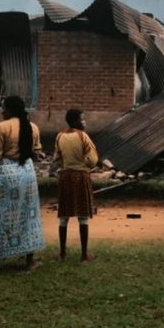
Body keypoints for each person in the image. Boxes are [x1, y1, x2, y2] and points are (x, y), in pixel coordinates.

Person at [0, 95, 45, 270]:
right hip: (27, 174)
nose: (1, 111)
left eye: (3, 107)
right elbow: (37, 152)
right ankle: (30, 260)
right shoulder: (33, 127)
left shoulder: (2, 127)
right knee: (28, 215)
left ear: (10, 109)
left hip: (7, 175)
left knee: (4, 216)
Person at [52, 108, 99, 261]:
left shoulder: (60, 136)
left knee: (64, 216)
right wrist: (83, 164)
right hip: (81, 176)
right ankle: (84, 254)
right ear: (75, 121)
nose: (85, 122)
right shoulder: (83, 136)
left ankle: (62, 253)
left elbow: (56, 158)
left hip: (65, 176)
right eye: (82, 119)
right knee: (83, 215)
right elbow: (93, 160)